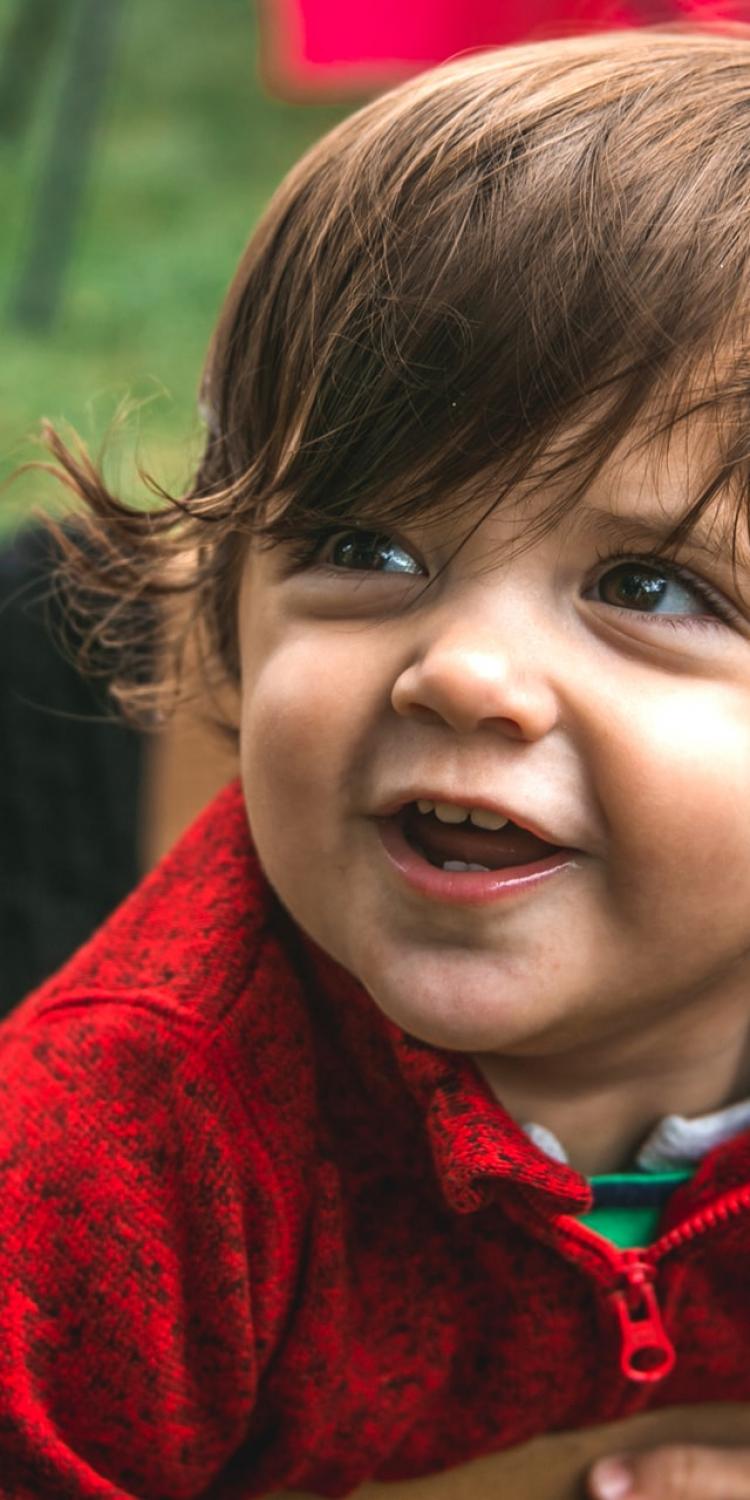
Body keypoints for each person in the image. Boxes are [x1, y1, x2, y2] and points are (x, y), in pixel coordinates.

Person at [4, 24, 750, 1500]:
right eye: (366, 549)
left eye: (649, 588)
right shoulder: (104, 1181)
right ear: (219, 622)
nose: (460, 668)